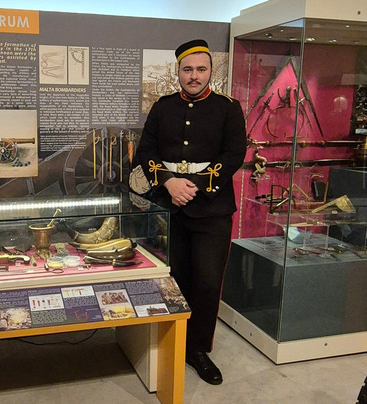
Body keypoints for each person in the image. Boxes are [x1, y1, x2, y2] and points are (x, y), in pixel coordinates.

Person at [135, 39, 246, 385]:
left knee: (207, 283)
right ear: (178, 72)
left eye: (200, 69)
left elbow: (234, 154)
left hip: (211, 210)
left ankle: (197, 350)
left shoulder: (228, 108)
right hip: (168, 207)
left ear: (210, 71)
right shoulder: (163, 107)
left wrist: (194, 185)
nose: (194, 76)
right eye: (187, 69)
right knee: (173, 279)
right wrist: (169, 182)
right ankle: (170, 341)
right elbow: (145, 152)